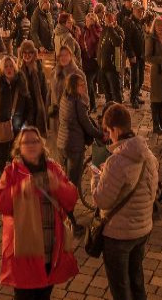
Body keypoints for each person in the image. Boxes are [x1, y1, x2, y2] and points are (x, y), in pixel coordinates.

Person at [0, 126, 79, 299]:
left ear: (42, 145)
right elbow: (0, 204)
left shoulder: (53, 169)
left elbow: (71, 200)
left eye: (35, 140)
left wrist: (58, 186)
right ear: (19, 147)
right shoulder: (11, 172)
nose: (31, 145)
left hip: (50, 251)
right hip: (24, 255)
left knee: (44, 294)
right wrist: (19, 190)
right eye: (26, 142)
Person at [93, 103, 159, 300]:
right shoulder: (148, 155)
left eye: (108, 131)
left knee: (121, 288)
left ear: (116, 130)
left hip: (118, 234)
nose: (109, 136)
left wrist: (97, 176)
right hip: (142, 229)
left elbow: (101, 200)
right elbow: (151, 191)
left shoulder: (117, 161)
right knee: (137, 281)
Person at [56, 72, 101, 236]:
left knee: (64, 182)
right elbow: (87, 126)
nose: (84, 87)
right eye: (81, 85)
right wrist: (101, 134)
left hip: (62, 145)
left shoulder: (65, 98)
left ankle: (62, 216)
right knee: (72, 186)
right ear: (74, 87)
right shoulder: (78, 103)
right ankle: (70, 221)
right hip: (74, 147)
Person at [0, 55, 30, 185]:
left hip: (17, 128)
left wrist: (26, 123)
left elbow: (28, 105)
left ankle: (13, 187)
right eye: (6, 66)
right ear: (1, 69)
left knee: (15, 158)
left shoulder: (21, 83)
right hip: (0, 128)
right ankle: (0, 189)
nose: (9, 69)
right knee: (0, 160)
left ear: (15, 67)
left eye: (11, 66)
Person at [16, 40, 49, 137]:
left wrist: (45, 107)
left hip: (37, 107)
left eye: (29, 52)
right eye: (24, 53)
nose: (27, 55)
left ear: (33, 54)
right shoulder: (18, 70)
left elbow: (44, 90)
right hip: (24, 109)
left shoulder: (39, 69)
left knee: (37, 134)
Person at [146, 17, 162, 134]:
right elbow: (148, 56)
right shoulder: (151, 38)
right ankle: (156, 125)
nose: (160, 28)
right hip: (157, 72)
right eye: (158, 26)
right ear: (154, 27)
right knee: (155, 99)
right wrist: (161, 59)